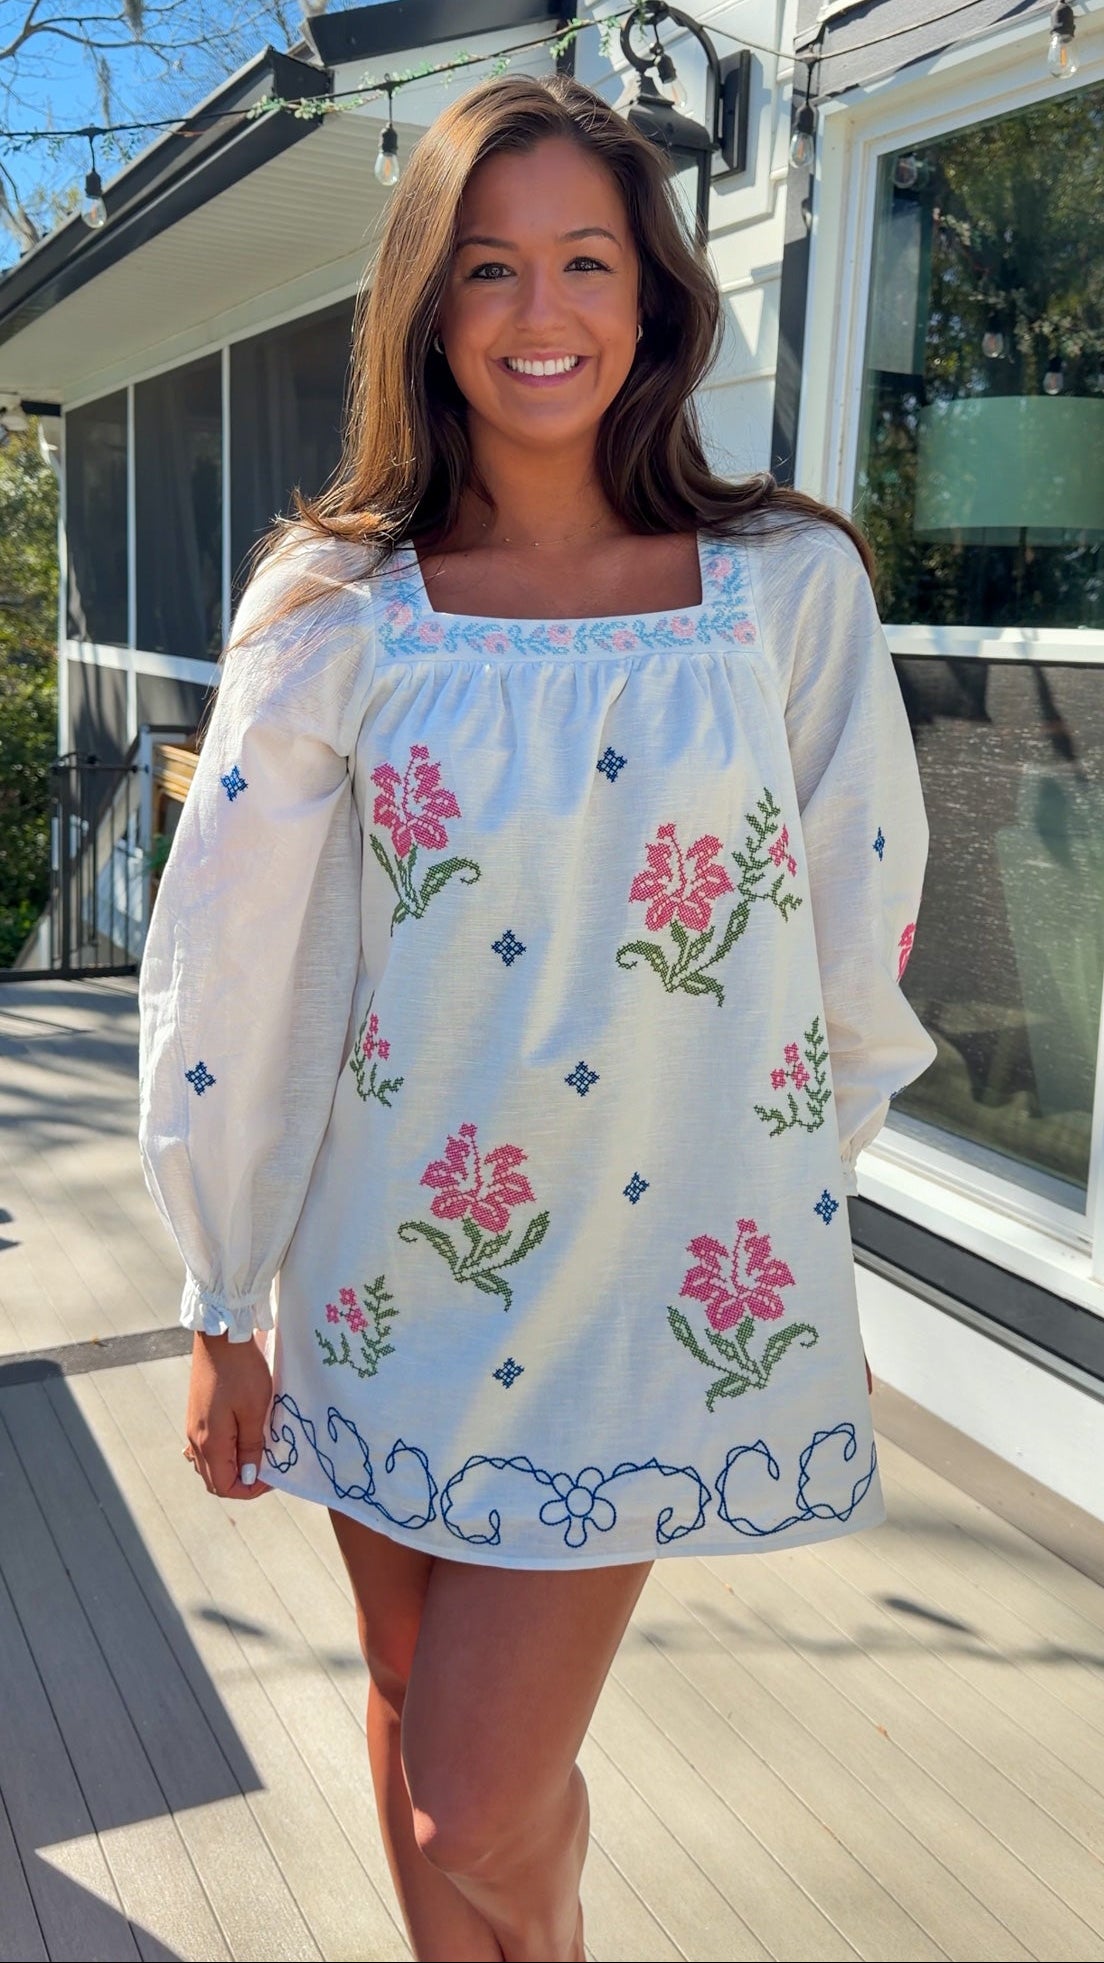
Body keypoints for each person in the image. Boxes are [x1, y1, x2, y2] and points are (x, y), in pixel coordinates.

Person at [138, 72, 937, 1963]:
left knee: (473, 1792)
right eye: (486, 268)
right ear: (425, 304)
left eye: (586, 259)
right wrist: (214, 1287)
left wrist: (767, 1220)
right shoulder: (333, 607)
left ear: (654, 296)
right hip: (381, 1273)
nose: (539, 312)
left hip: (643, 1285)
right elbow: (232, 967)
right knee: (414, 1707)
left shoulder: (785, 594)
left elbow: (854, 933)